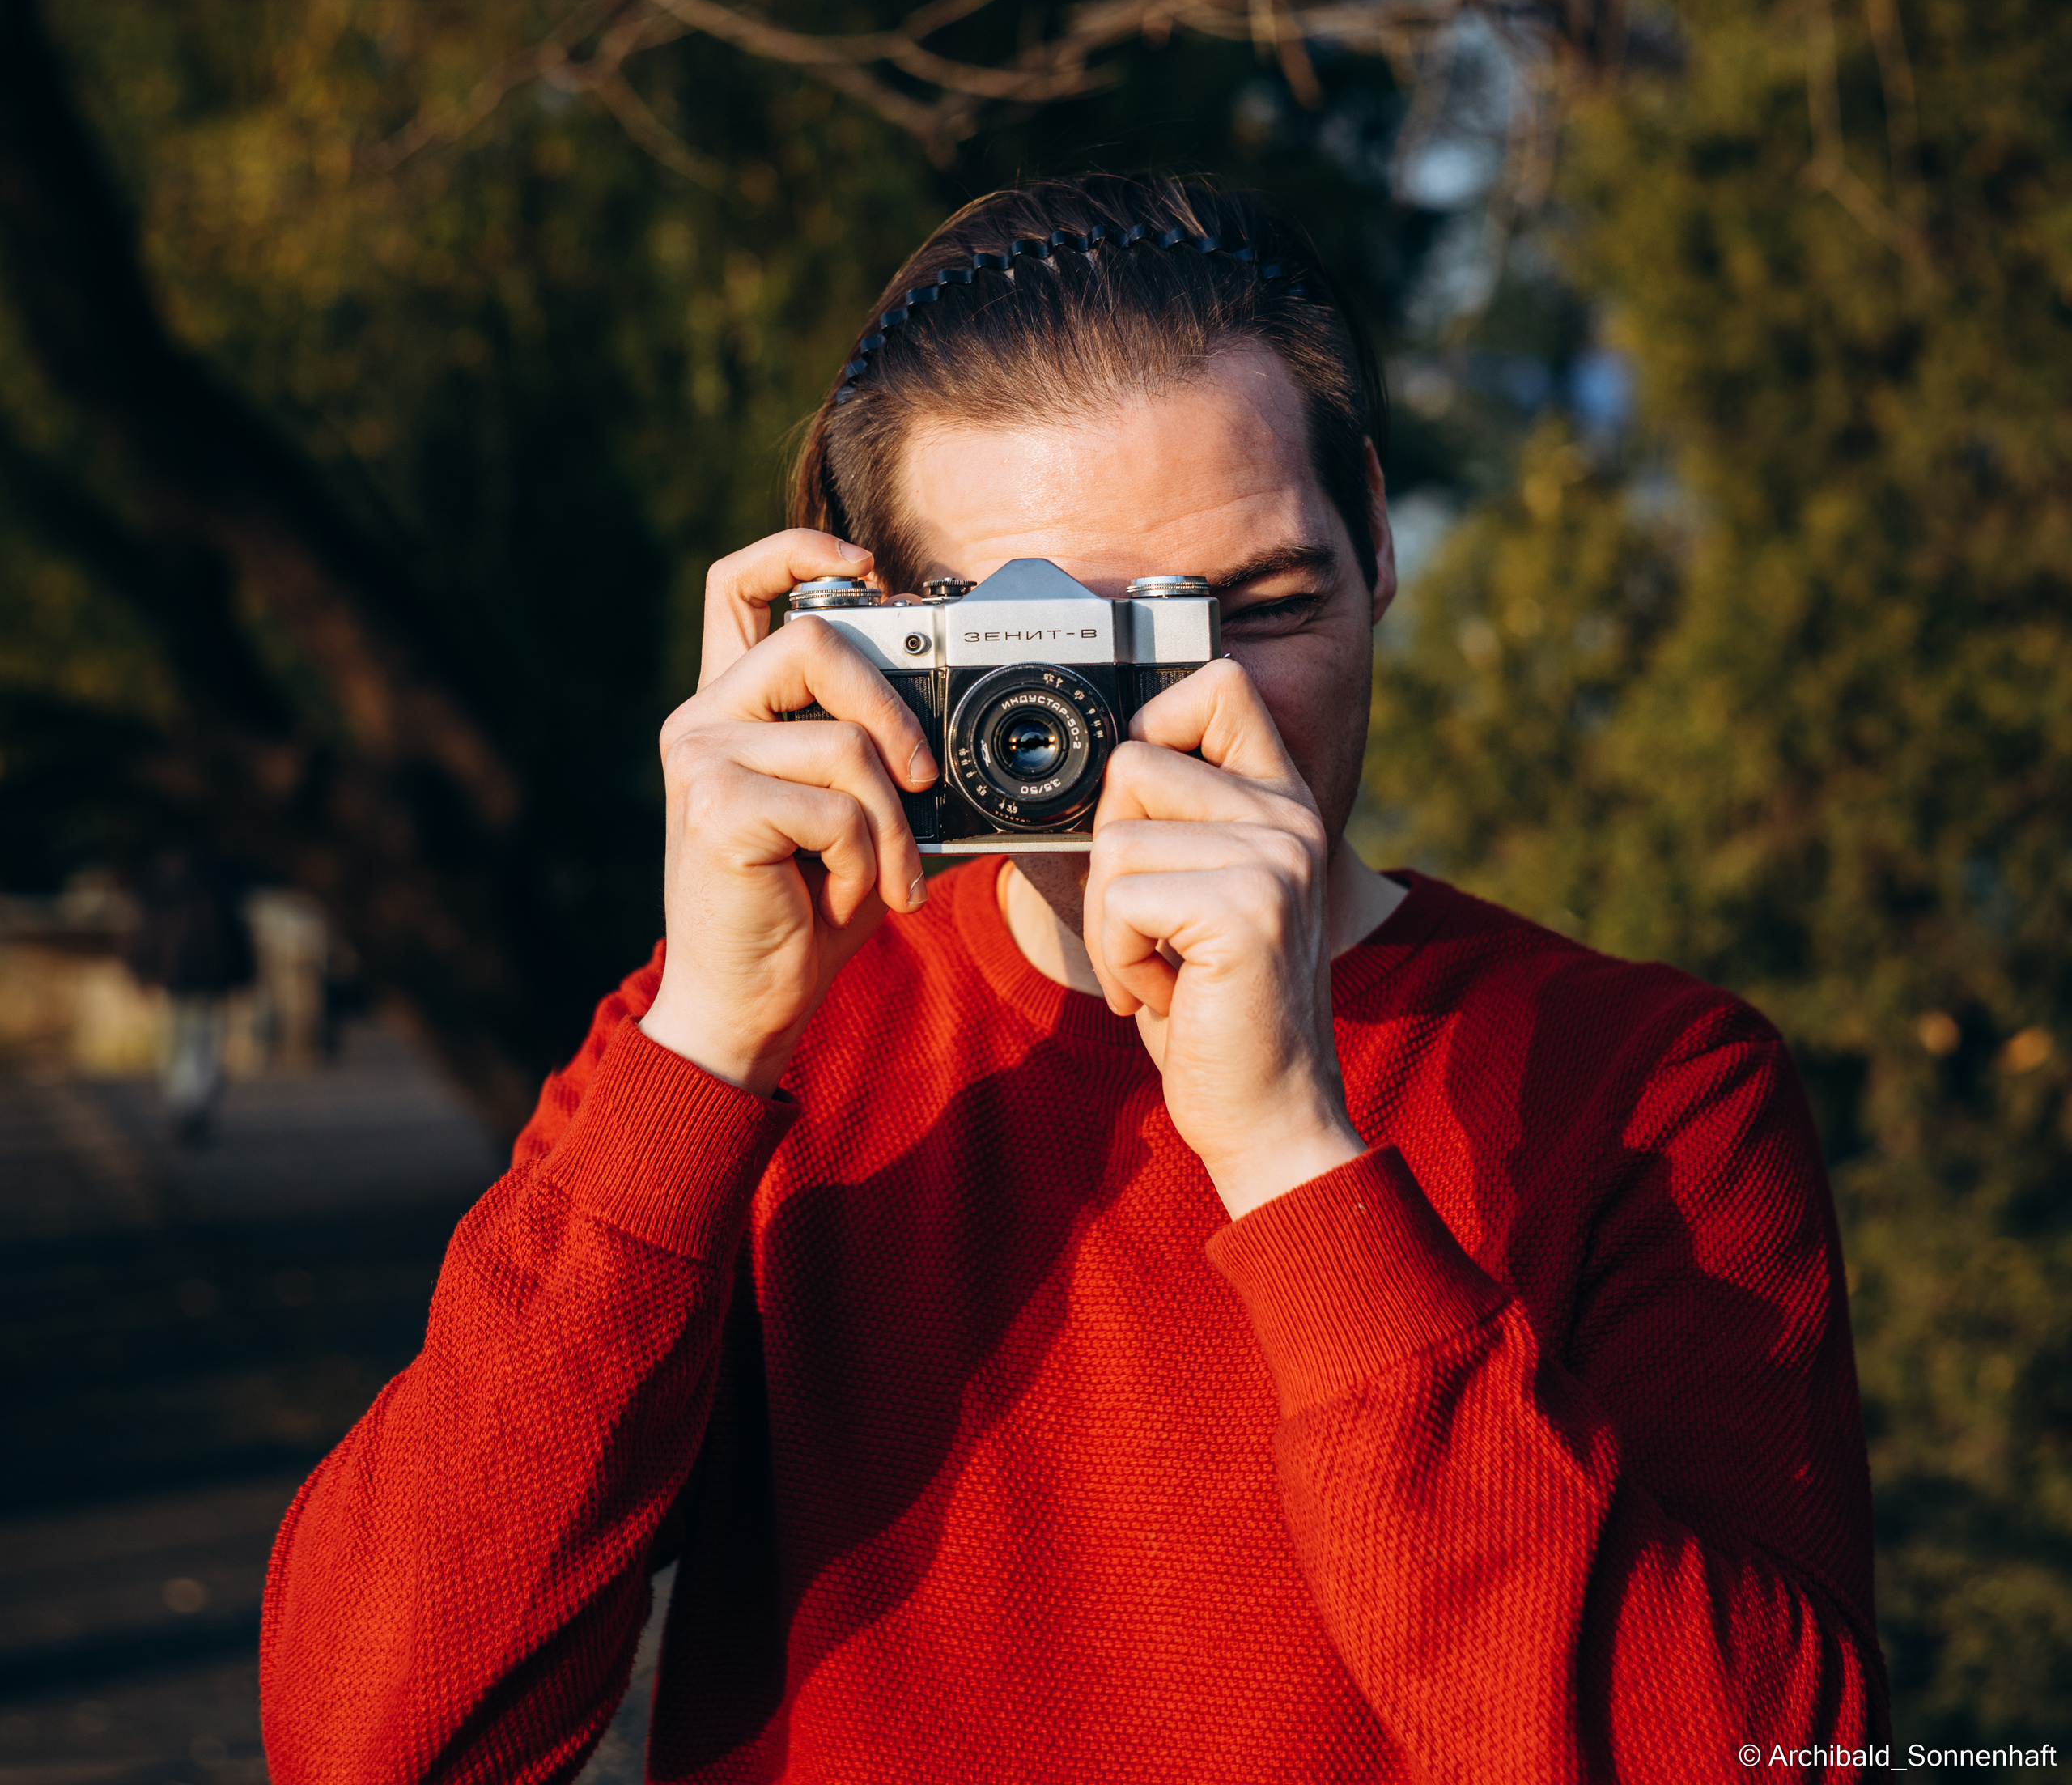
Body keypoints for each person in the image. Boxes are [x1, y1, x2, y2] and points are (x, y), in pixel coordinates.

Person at [260, 174, 1886, 1780]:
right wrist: (703, 1041)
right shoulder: (738, 1049)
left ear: (1377, 533)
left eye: (1254, 607)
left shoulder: (1648, 1090)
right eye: (1051, 656)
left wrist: (1293, 1160)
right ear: (873, 637)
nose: (1185, 714)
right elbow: (374, 1732)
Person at [125, 844, 255, 1147]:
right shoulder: (216, 883)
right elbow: (235, 936)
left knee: (180, 1044)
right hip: (207, 981)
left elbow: (147, 934)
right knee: (202, 1043)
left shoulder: (164, 885)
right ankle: (191, 1107)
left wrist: (143, 972)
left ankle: (184, 1105)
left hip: (180, 980)